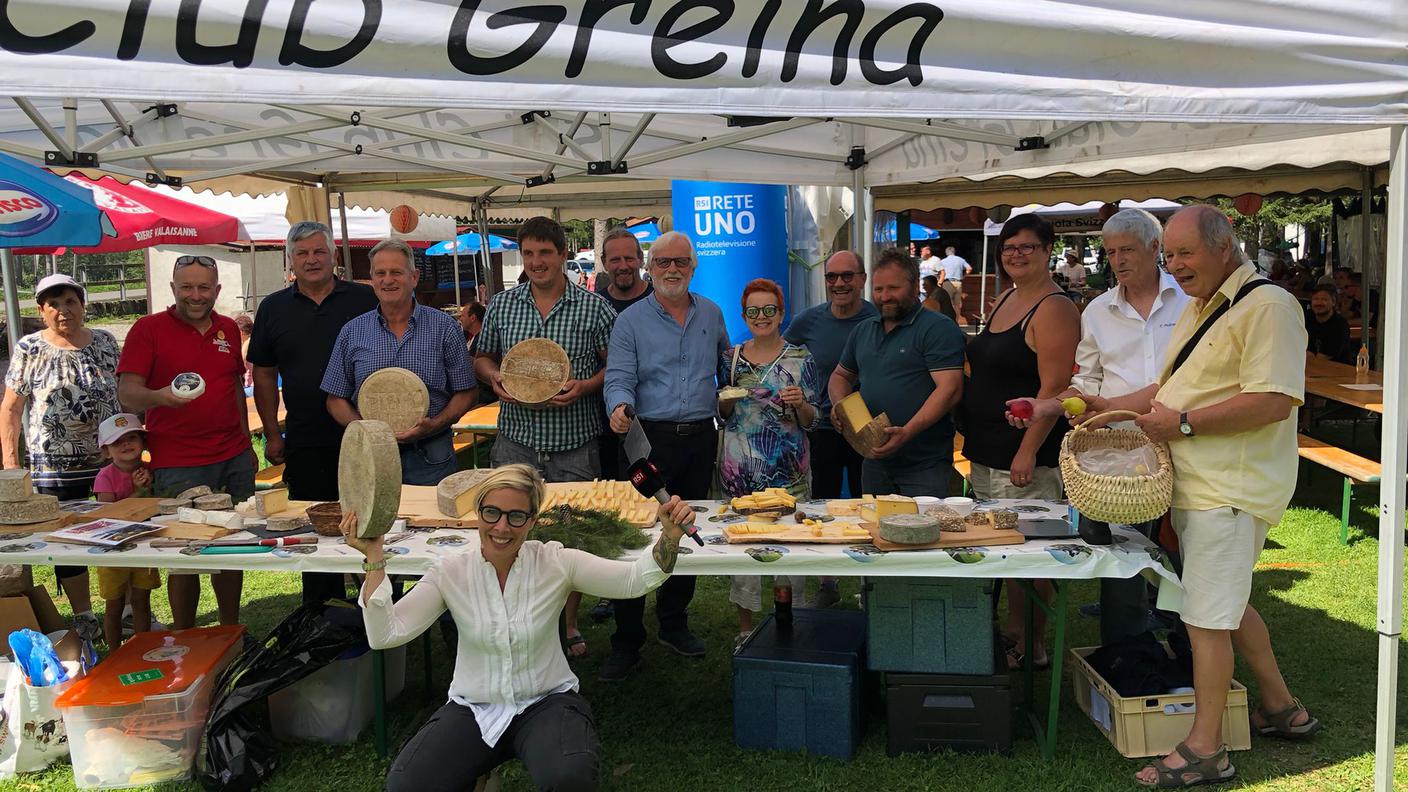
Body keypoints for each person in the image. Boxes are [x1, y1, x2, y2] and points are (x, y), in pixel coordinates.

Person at [1074, 205, 1317, 787]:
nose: (1175, 265)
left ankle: (1207, 749)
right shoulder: (1207, 305)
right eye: (1171, 255)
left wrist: (1180, 425)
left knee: (1205, 619)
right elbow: (1171, 385)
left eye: (1186, 253)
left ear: (1226, 245)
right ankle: (1283, 708)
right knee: (1223, 604)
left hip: (1229, 489)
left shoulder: (1269, 307)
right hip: (1200, 486)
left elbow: (1273, 400)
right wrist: (1109, 410)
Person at [349, 464, 696, 792]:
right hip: (475, 707)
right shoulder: (450, 572)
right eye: (492, 513)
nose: (502, 527)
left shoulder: (555, 561)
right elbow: (385, 635)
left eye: (516, 516)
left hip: (546, 702)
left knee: (570, 776)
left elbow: (634, 581)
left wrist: (669, 537)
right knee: (409, 783)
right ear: (479, 512)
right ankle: (481, 769)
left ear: (532, 521)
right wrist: (375, 558)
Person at [1008, 208, 1189, 644]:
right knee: (1122, 557)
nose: (1119, 260)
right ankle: (1126, 655)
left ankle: (1190, 649)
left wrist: (1102, 403)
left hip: (1185, 438)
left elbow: (1182, 382)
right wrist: (1060, 405)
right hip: (1120, 454)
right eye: (1110, 252)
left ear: (1153, 248)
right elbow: (1087, 380)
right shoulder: (1098, 312)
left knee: (1189, 553)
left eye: (1127, 249)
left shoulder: (1190, 302)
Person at [475, 216, 615, 658]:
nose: (536, 262)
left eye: (545, 253)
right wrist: (495, 376)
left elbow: (616, 366)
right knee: (507, 533)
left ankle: (568, 624)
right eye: (529, 254)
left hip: (575, 442)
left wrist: (586, 386)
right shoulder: (502, 305)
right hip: (516, 440)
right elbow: (482, 357)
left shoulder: (593, 308)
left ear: (562, 255)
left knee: (569, 540)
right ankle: (515, 623)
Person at [602, 230, 727, 680]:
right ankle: (627, 637)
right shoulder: (630, 321)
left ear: (693, 267)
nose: (671, 269)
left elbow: (726, 368)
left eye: (680, 262)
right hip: (645, 438)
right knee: (633, 536)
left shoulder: (712, 314)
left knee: (687, 529)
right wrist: (618, 407)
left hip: (698, 439)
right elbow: (618, 377)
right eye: (662, 262)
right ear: (649, 268)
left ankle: (674, 623)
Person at [965, 213, 1080, 670]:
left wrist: (1028, 449)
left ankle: (1031, 641)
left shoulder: (1054, 307)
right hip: (987, 452)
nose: (1015, 255)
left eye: (1026, 247)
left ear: (1047, 250)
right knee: (1001, 545)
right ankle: (1014, 633)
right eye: (1009, 248)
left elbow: (1053, 390)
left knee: (1029, 551)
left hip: (1024, 456)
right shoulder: (1006, 299)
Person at [118, 255, 254, 629]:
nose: (196, 295)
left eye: (204, 287)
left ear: (217, 290)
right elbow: (127, 393)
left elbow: (234, 392)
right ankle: (186, 636)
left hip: (232, 456)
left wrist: (246, 447)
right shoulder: (148, 329)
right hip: (177, 461)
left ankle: (230, 629)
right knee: (185, 554)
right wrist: (162, 396)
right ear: (174, 288)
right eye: (187, 287)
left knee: (233, 545)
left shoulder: (227, 327)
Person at [249, 221, 379, 606]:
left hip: (363, 433)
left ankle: (374, 603)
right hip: (305, 439)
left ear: (334, 256)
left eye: (319, 252)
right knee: (316, 533)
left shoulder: (364, 300)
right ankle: (323, 617)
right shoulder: (273, 308)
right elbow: (264, 375)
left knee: (370, 522)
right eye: (302, 253)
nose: (311, 260)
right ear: (290, 259)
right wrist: (273, 433)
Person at [0, 273, 119, 644]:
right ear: (41, 310)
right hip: (55, 467)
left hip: (109, 463)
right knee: (67, 542)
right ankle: (84, 615)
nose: (64, 310)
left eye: (70, 301)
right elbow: (11, 409)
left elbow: (124, 392)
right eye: (54, 304)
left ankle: (125, 608)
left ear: (83, 305)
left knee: (120, 535)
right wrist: (11, 467)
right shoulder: (29, 348)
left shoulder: (105, 341)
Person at [322, 239, 478, 486]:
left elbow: (467, 392)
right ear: (372, 279)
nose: (388, 280)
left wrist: (434, 424)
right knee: (372, 523)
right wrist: (366, 431)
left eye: (396, 272)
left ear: (414, 277)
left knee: (435, 523)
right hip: (371, 457)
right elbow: (334, 398)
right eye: (380, 273)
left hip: (431, 453)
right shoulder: (352, 332)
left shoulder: (444, 328)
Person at [718, 279, 819, 644]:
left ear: (781, 313)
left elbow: (812, 420)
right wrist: (725, 402)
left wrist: (800, 404)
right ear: (744, 315)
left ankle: (795, 622)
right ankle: (746, 628)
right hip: (741, 471)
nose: (761, 317)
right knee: (743, 550)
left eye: (769, 310)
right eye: (753, 311)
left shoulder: (800, 359)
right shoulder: (730, 358)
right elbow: (723, 413)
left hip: (789, 469)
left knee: (793, 547)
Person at [828, 248, 965, 497]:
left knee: (928, 531)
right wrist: (840, 406)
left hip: (924, 465)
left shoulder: (937, 329)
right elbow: (840, 376)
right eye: (878, 289)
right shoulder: (863, 330)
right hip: (873, 462)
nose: (884, 296)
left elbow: (951, 389)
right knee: (876, 531)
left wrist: (907, 432)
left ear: (915, 288)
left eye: (893, 288)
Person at [785, 251, 877, 505]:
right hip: (823, 429)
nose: (838, 283)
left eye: (847, 275)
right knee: (822, 506)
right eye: (831, 277)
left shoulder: (877, 320)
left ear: (862, 279)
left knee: (867, 503)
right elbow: (779, 356)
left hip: (866, 427)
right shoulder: (809, 320)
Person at [91, 413, 159, 649]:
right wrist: (139, 492)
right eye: (117, 442)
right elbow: (108, 516)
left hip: (144, 544)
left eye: (131, 438)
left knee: (142, 600)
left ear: (142, 442)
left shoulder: (152, 470)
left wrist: (150, 488)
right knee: (114, 605)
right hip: (112, 549)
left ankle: (143, 648)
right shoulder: (105, 476)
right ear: (107, 451)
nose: (126, 444)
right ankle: (114, 652)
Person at [1305, 285, 1354, 364]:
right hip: (1312, 366)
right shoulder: (1307, 317)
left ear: (1333, 302)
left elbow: (1323, 358)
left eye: (1324, 299)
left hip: (1338, 371)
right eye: (1315, 299)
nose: (1319, 303)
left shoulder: (1339, 325)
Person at [938, 244, 972, 315]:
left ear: (946, 253)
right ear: (954, 252)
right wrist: (963, 276)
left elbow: (939, 272)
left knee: (948, 304)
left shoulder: (943, 261)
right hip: (958, 283)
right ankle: (956, 322)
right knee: (957, 305)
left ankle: (949, 322)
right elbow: (969, 269)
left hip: (948, 283)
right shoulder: (960, 260)